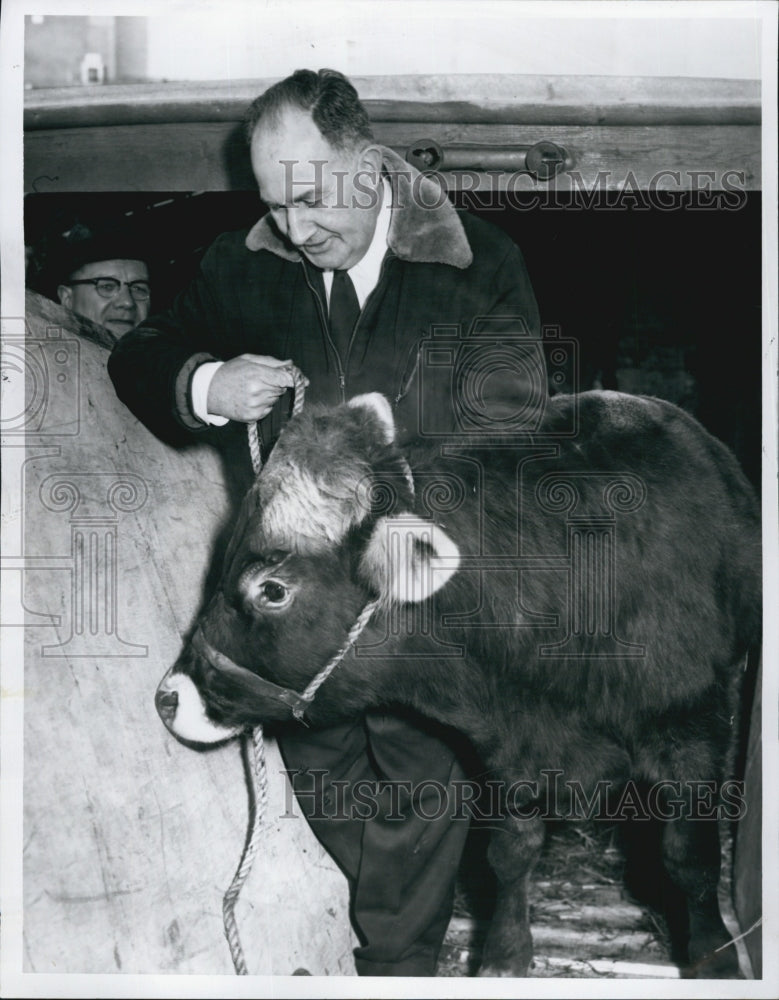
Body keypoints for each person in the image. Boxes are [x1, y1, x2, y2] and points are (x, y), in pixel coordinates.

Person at [109, 68, 546, 976]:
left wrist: (399, 490)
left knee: (423, 780)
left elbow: (513, 433)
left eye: (311, 199)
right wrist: (205, 381)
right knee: (317, 773)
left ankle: (395, 968)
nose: (297, 229)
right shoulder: (246, 263)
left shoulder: (480, 263)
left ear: (367, 158)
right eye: (276, 204)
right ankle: (347, 938)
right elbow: (143, 351)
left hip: (408, 598)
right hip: (290, 608)